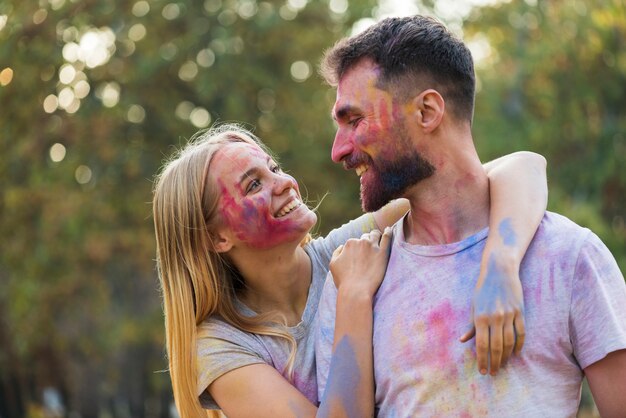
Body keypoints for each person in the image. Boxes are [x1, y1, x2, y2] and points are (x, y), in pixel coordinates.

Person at [315, 15, 626, 417]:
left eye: (355, 120)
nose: (339, 150)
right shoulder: (353, 282)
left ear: (427, 111)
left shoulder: (567, 255)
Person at [152, 123, 547, 418]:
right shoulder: (220, 346)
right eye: (254, 185)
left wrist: (501, 267)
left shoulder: (348, 248)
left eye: (274, 168)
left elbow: (521, 166)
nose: (285, 183)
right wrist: (354, 296)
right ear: (217, 237)